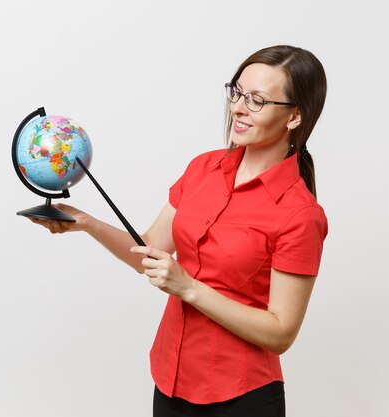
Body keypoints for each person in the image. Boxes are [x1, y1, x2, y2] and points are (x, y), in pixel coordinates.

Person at [29, 45, 328, 417]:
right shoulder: (202, 169)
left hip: (242, 397)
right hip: (171, 382)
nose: (237, 107)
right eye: (236, 92)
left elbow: (281, 332)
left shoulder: (300, 214)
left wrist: (188, 287)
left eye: (257, 101)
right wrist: (86, 223)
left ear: (295, 116)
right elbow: (150, 249)